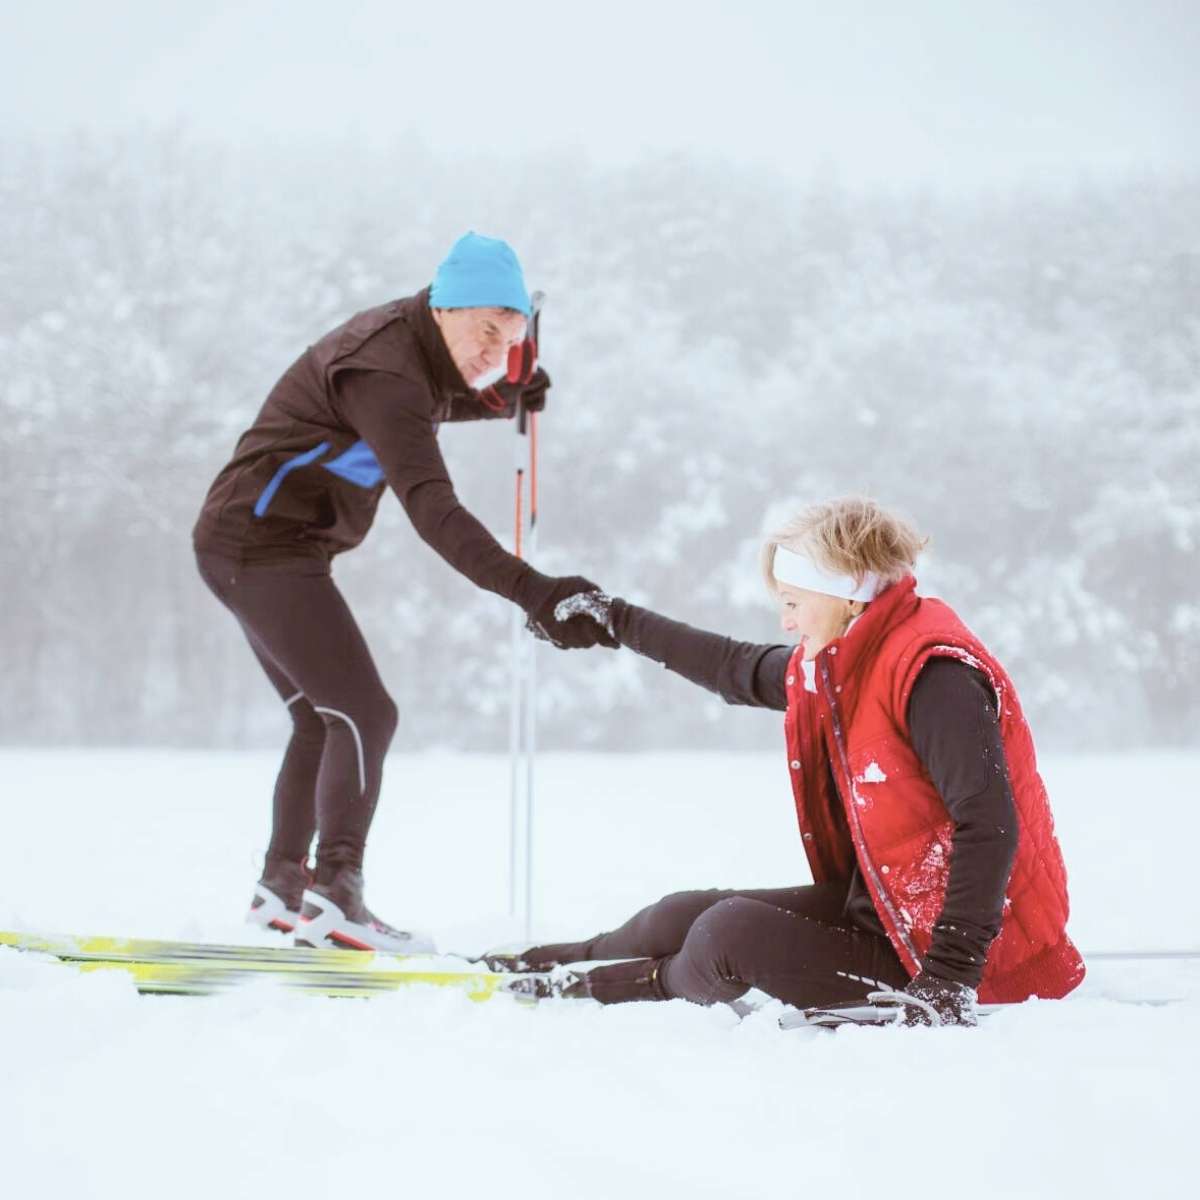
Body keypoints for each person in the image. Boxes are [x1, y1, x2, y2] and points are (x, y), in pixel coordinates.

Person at [487, 497, 1085, 1024]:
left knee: (728, 935)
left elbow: (991, 824)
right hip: (889, 913)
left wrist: (948, 982)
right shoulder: (845, 662)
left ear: (846, 590)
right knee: (683, 914)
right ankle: (536, 962)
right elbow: (732, 666)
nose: (786, 620)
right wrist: (613, 618)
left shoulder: (934, 676)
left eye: (794, 600)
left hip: (953, 959)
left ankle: (580, 992)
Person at [193, 232, 614, 952]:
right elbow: (433, 508)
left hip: (258, 545)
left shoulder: (413, 356)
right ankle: (335, 896)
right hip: (260, 548)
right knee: (364, 712)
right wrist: (533, 590)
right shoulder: (384, 366)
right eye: (488, 330)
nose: (498, 351)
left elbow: (431, 402)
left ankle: (281, 889)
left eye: (512, 339)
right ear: (445, 307)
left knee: (324, 719)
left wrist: (499, 396)